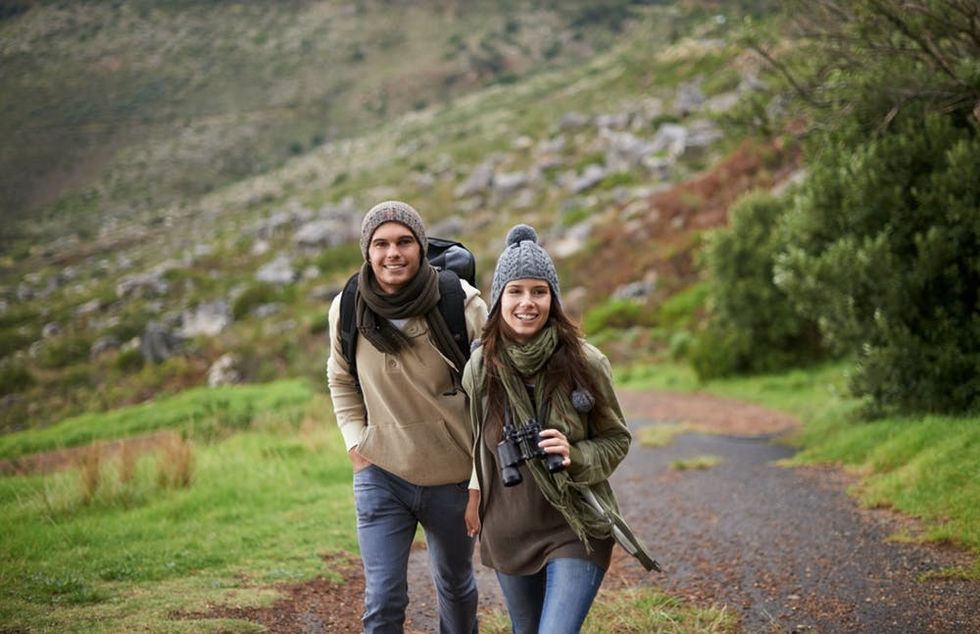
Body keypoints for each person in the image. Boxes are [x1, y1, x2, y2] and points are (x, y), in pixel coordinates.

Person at [462, 224, 659, 634]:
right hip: (508, 530)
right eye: (515, 291)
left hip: (576, 526)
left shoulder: (585, 362)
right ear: (499, 299)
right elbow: (476, 441)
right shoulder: (480, 369)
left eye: (539, 291)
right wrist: (474, 493)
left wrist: (576, 454)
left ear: (553, 299)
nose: (527, 303)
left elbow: (616, 438)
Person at [326, 200, 487, 633]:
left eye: (403, 241)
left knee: (455, 586)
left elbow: (495, 397)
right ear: (367, 251)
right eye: (380, 244)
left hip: (453, 478)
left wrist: (476, 482)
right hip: (382, 474)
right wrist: (356, 446)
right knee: (383, 599)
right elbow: (341, 380)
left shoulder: (462, 303)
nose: (392, 253)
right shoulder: (347, 307)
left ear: (420, 246)